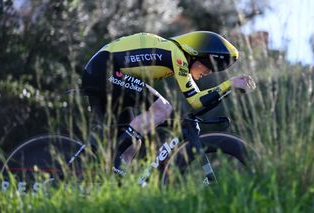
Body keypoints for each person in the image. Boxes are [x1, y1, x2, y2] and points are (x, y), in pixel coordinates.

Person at [81, 31, 256, 176]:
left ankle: (113, 182)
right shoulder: (176, 54)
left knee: (133, 144)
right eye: (208, 66)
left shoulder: (173, 54)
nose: (208, 72)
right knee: (162, 108)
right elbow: (196, 101)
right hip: (103, 70)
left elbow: (200, 100)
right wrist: (229, 84)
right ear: (197, 56)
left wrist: (228, 89)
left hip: (102, 72)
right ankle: (113, 160)